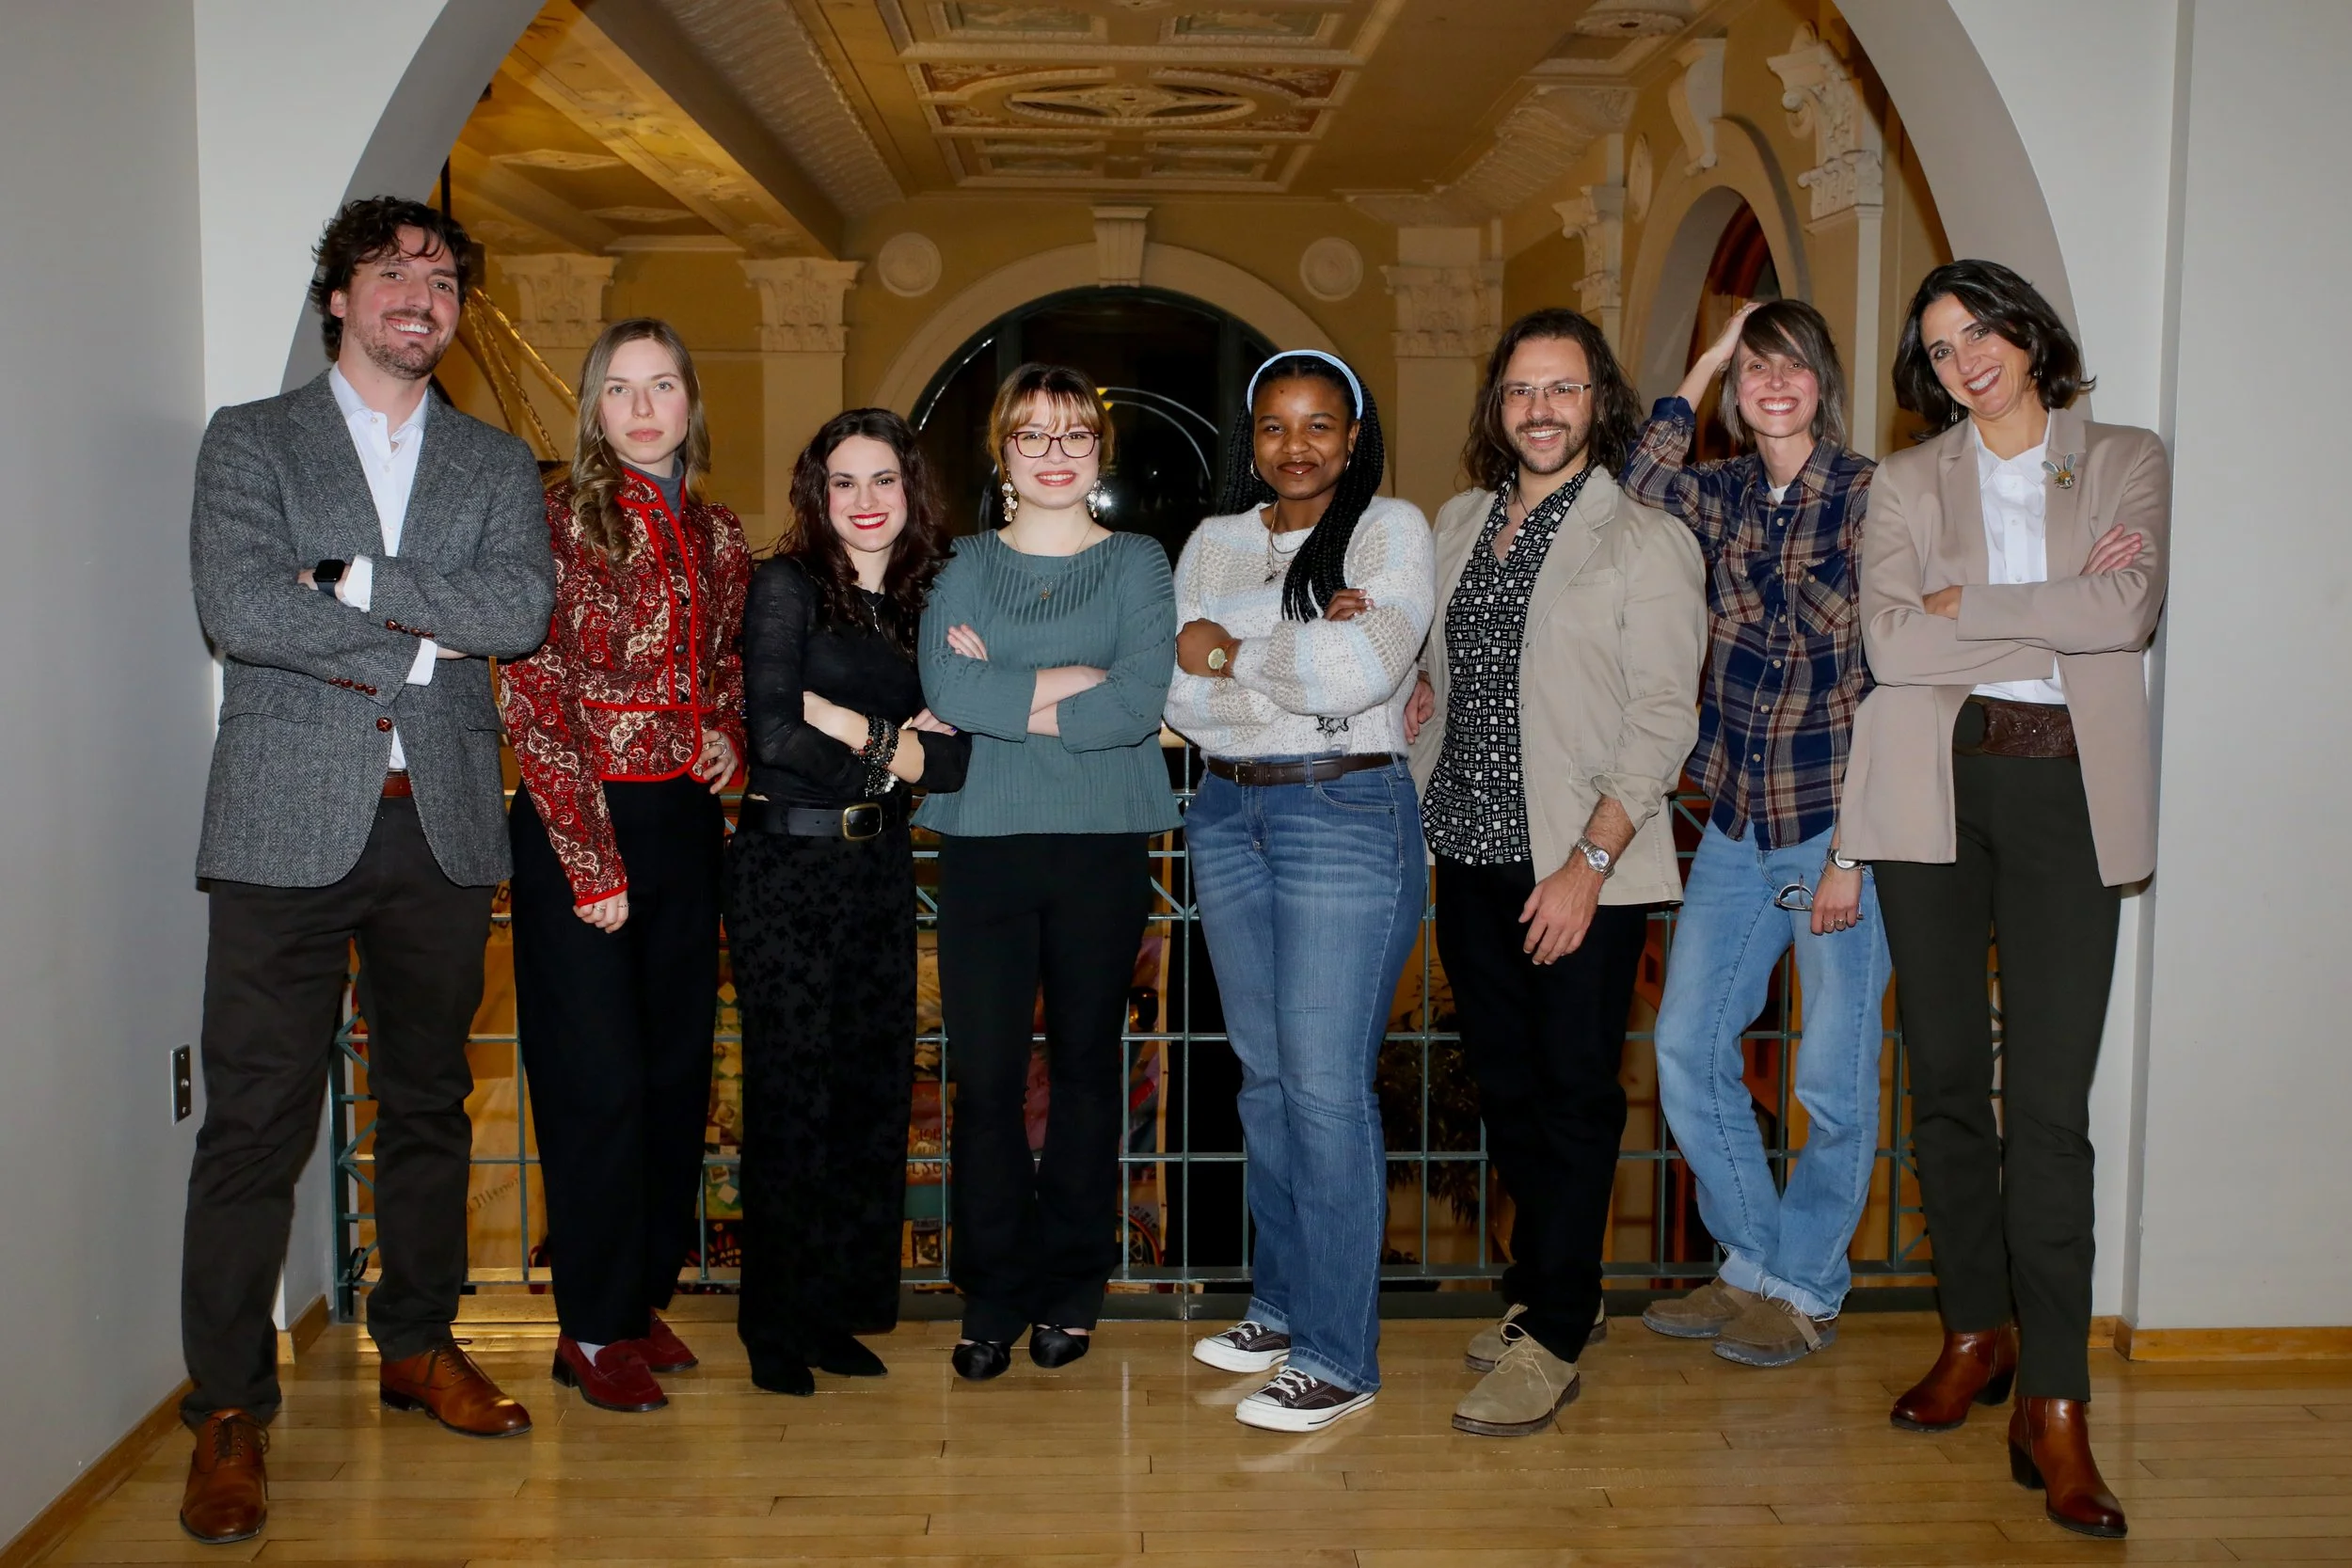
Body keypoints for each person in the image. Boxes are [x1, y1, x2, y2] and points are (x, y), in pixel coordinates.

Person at [179, 197, 554, 1544]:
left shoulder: (498, 463)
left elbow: (517, 609)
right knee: (254, 1122)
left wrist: (344, 576)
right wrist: (410, 640)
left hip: (441, 824)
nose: (421, 293)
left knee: (430, 1101)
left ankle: (416, 1340)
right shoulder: (250, 442)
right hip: (284, 820)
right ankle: (228, 1405)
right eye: (392, 271)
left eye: (444, 277)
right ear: (336, 296)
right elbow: (241, 606)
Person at [1846, 260, 2166, 1541]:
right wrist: (2053, 620)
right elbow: (1889, 645)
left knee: (2049, 1106)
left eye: (1980, 330)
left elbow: (2127, 610)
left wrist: (1967, 605)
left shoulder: (2128, 456)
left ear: (2028, 334)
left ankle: (2058, 1400)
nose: (1965, 357)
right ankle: (1973, 1326)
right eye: (1939, 344)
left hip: (2066, 798)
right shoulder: (1906, 480)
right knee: (1938, 1077)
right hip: (1933, 790)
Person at [1405, 308, 1706, 1437]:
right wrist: (1412, 692)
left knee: (1577, 1095)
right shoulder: (1457, 523)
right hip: (1469, 849)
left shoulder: (1644, 540)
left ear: (1599, 404)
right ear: (1497, 406)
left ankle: (1557, 1330)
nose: (1541, 409)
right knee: (1510, 1090)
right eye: (1522, 390)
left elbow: (1660, 719)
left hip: (1580, 862)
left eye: (1563, 389)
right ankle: (1544, 1286)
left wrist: (1588, 862)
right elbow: (1443, 664)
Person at [1621, 300, 1892, 1368]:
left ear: (1822, 381)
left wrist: (1852, 852)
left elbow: (1899, 682)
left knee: (1830, 1077)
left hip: (1838, 824)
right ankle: (1754, 1265)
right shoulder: (1720, 490)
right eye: (1756, 369)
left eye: (1791, 367)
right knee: (1687, 1042)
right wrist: (1706, 357)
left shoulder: (1875, 496)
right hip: (1735, 819)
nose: (1772, 384)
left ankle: (1805, 1286)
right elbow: (1638, 478)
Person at [1168, 351, 1433, 1433]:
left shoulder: (1390, 530)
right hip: (1228, 812)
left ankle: (1338, 1354)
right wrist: (1296, 644)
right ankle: (1279, 1309)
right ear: (1252, 438)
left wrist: (1237, 648)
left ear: (1354, 434)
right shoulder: (1216, 541)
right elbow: (1186, 697)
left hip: (1344, 812)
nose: (1296, 446)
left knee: (1325, 1089)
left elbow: (1357, 677)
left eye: (1319, 424)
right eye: (1275, 427)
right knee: (1267, 1081)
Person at [497, 318, 748, 1413]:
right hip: (577, 830)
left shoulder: (723, 534)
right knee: (593, 1080)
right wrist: (588, 857)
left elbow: (730, 664)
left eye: (663, 386)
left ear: (692, 399)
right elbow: (534, 694)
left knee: (673, 1074)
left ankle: (640, 1294)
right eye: (619, 390)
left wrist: (727, 734)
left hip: (686, 824)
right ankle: (589, 1326)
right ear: (594, 408)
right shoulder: (555, 522)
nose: (643, 408)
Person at [916, 363, 1180, 1381]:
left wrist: (1006, 693)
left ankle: (1073, 1283)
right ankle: (991, 1290)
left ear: (1097, 453)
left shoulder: (1138, 564)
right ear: (1004, 454)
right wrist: (1074, 680)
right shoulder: (963, 561)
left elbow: (1137, 704)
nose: (1057, 452)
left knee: (1083, 1071)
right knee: (981, 1082)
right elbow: (944, 680)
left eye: (1075, 434)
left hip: (1104, 840)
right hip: (981, 839)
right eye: (1035, 435)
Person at [730, 409, 970, 1394]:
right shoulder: (786, 587)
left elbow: (951, 759)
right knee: (793, 1097)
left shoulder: (922, 606)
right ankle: (774, 1325)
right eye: (844, 481)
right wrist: (891, 742)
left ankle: (835, 1309)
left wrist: (857, 728)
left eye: (884, 481)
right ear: (815, 493)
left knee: (871, 1096)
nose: (865, 502)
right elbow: (775, 734)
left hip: (878, 871)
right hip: (785, 871)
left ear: (911, 491)